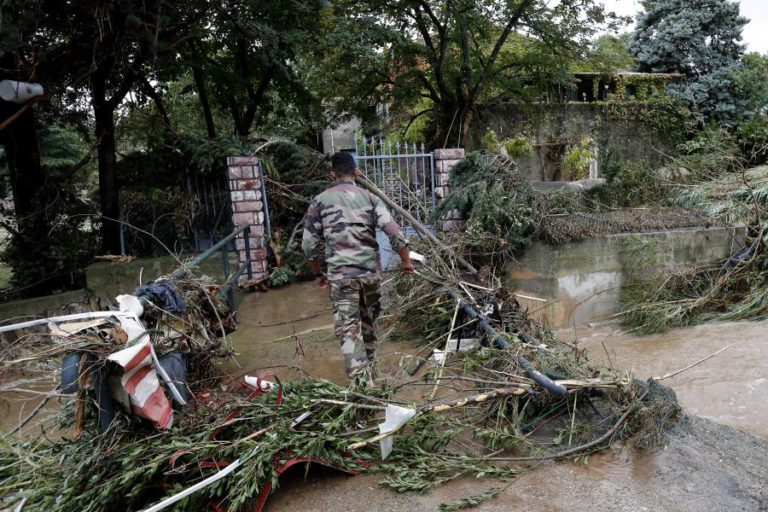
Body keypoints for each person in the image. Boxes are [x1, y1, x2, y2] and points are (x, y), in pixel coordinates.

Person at [302, 152, 414, 385]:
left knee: (349, 331)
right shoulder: (371, 198)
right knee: (368, 324)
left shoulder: (320, 201)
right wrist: (406, 262)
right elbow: (395, 233)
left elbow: (308, 246)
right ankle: (371, 375)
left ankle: (364, 391)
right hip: (370, 276)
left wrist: (317, 273)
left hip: (342, 279)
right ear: (356, 173)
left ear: (332, 175)